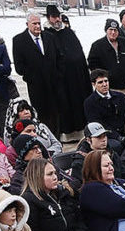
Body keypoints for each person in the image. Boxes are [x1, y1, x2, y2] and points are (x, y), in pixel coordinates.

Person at [37, 7, 95, 139]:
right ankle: (67, 134)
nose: (57, 19)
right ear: (48, 18)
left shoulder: (68, 32)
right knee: (65, 105)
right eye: (53, 16)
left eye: (58, 16)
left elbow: (78, 53)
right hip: (61, 80)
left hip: (77, 77)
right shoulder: (46, 35)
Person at [82, 70, 125, 140]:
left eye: (106, 81)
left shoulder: (121, 97)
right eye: (100, 82)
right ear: (94, 84)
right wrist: (117, 137)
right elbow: (97, 124)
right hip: (106, 136)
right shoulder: (89, 103)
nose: (104, 84)